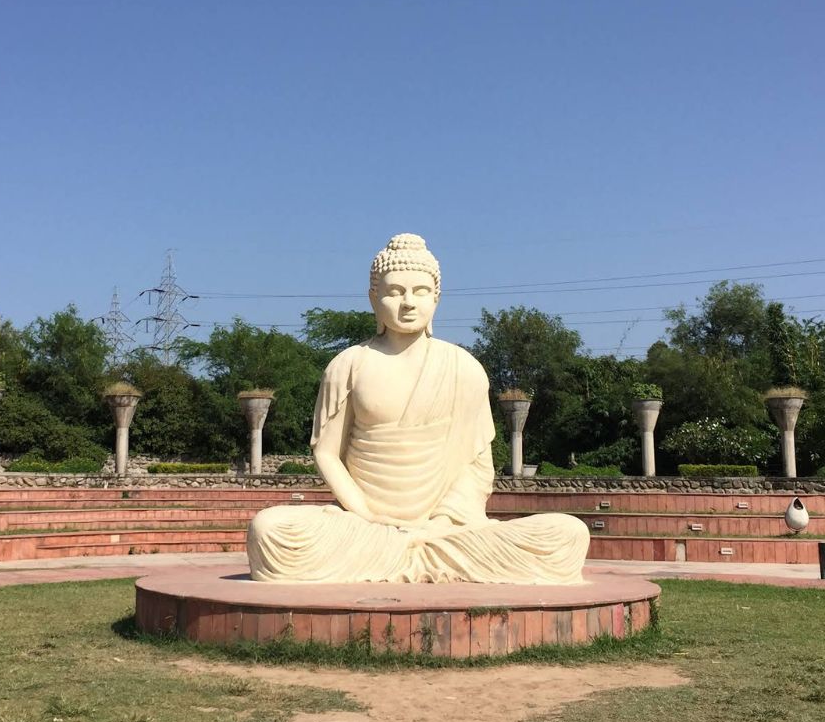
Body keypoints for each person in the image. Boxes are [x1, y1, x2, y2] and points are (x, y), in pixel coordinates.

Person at [246, 233, 589, 584]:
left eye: (421, 291)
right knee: (269, 531)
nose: (408, 303)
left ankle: (410, 553)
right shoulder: (348, 364)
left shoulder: (463, 367)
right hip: (365, 526)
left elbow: (476, 467)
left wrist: (438, 526)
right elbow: (327, 453)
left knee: (567, 533)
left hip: (446, 529)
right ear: (373, 298)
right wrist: (367, 516)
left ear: (437, 298)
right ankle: (411, 556)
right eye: (395, 291)